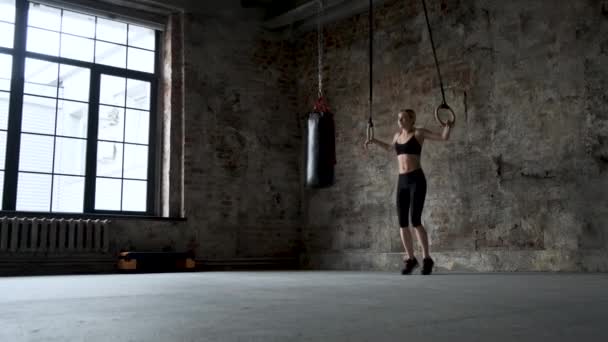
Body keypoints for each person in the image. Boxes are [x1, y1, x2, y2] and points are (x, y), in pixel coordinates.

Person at [364, 109, 453, 275]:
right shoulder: (397, 136)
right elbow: (390, 149)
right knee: (402, 223)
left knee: (415, 220)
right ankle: (411, 259)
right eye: (398, 118)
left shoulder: (419, 133)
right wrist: (373, 140)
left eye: (403, 117)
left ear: (412, 119)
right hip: (402, 181)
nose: (400, 120)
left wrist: (448, 126)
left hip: (416, 180)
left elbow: (443, 137)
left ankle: (427, 259)